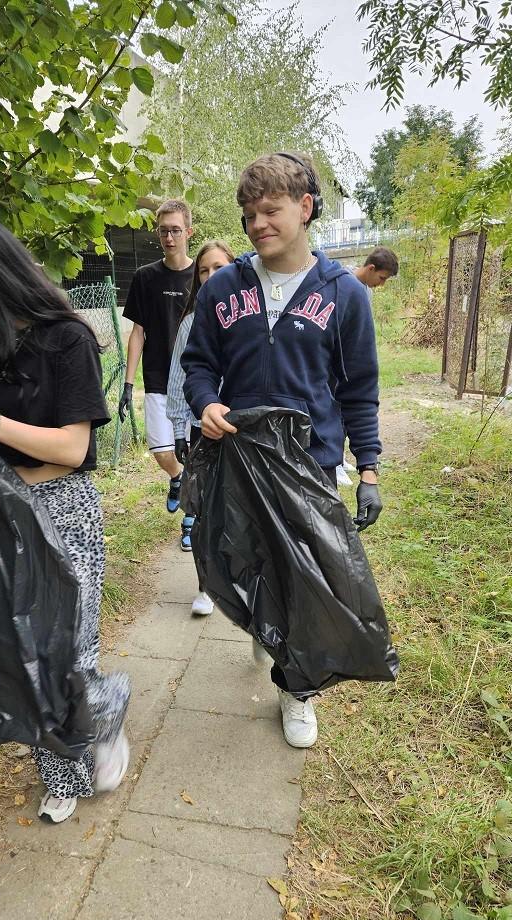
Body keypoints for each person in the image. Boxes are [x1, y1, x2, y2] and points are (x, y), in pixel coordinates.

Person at [0, 214, 130, 824]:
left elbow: (72, 448)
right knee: (24, 653)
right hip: (6, 518)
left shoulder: (68, 339)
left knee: (67, 650)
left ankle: (105, 708)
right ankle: (61, 773)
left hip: (64, 512)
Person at [182, 152, 383, 750]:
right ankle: (267, 627)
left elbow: (359, 390)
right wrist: (205, 404)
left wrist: (367, 468)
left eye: (270, 211)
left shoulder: (345, 295)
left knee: (306, 581)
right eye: (248, 215)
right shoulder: (222, 288)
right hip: (239, 457)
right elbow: (197, 365)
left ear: (305, 207)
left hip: (309, 464)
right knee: (247, 562)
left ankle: (297, 691)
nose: (257, 224)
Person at [166, 239, 235, 615]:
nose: (211, 277)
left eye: (219, 269)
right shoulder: (191, 322)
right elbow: (179, 377)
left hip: (242, 431)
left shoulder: (247, 316)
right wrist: (179, 428)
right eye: (204, 270)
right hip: (201, 429)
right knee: (205, 512)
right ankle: (206, 588)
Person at [119, 200, 195, 514]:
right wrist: (127, 383)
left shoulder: (202, 275)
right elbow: (138, 332)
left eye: (176, 230)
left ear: (189, 231)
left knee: (194, 452)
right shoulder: (145, 277)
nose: (170, 237)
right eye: (164, 231)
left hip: (195, 381)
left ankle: (192, 519)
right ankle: (177, 477)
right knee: (163, 452)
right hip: (157, 378)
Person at [334, 246, 399, 484]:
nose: (381, 284)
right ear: (371, 268)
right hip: (337, 365)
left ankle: (342, 459)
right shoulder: (342, 283)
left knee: (347, 411)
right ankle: (336, 462)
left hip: (355, 361)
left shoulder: (365, 290)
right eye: (381, 278)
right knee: (337, 412)